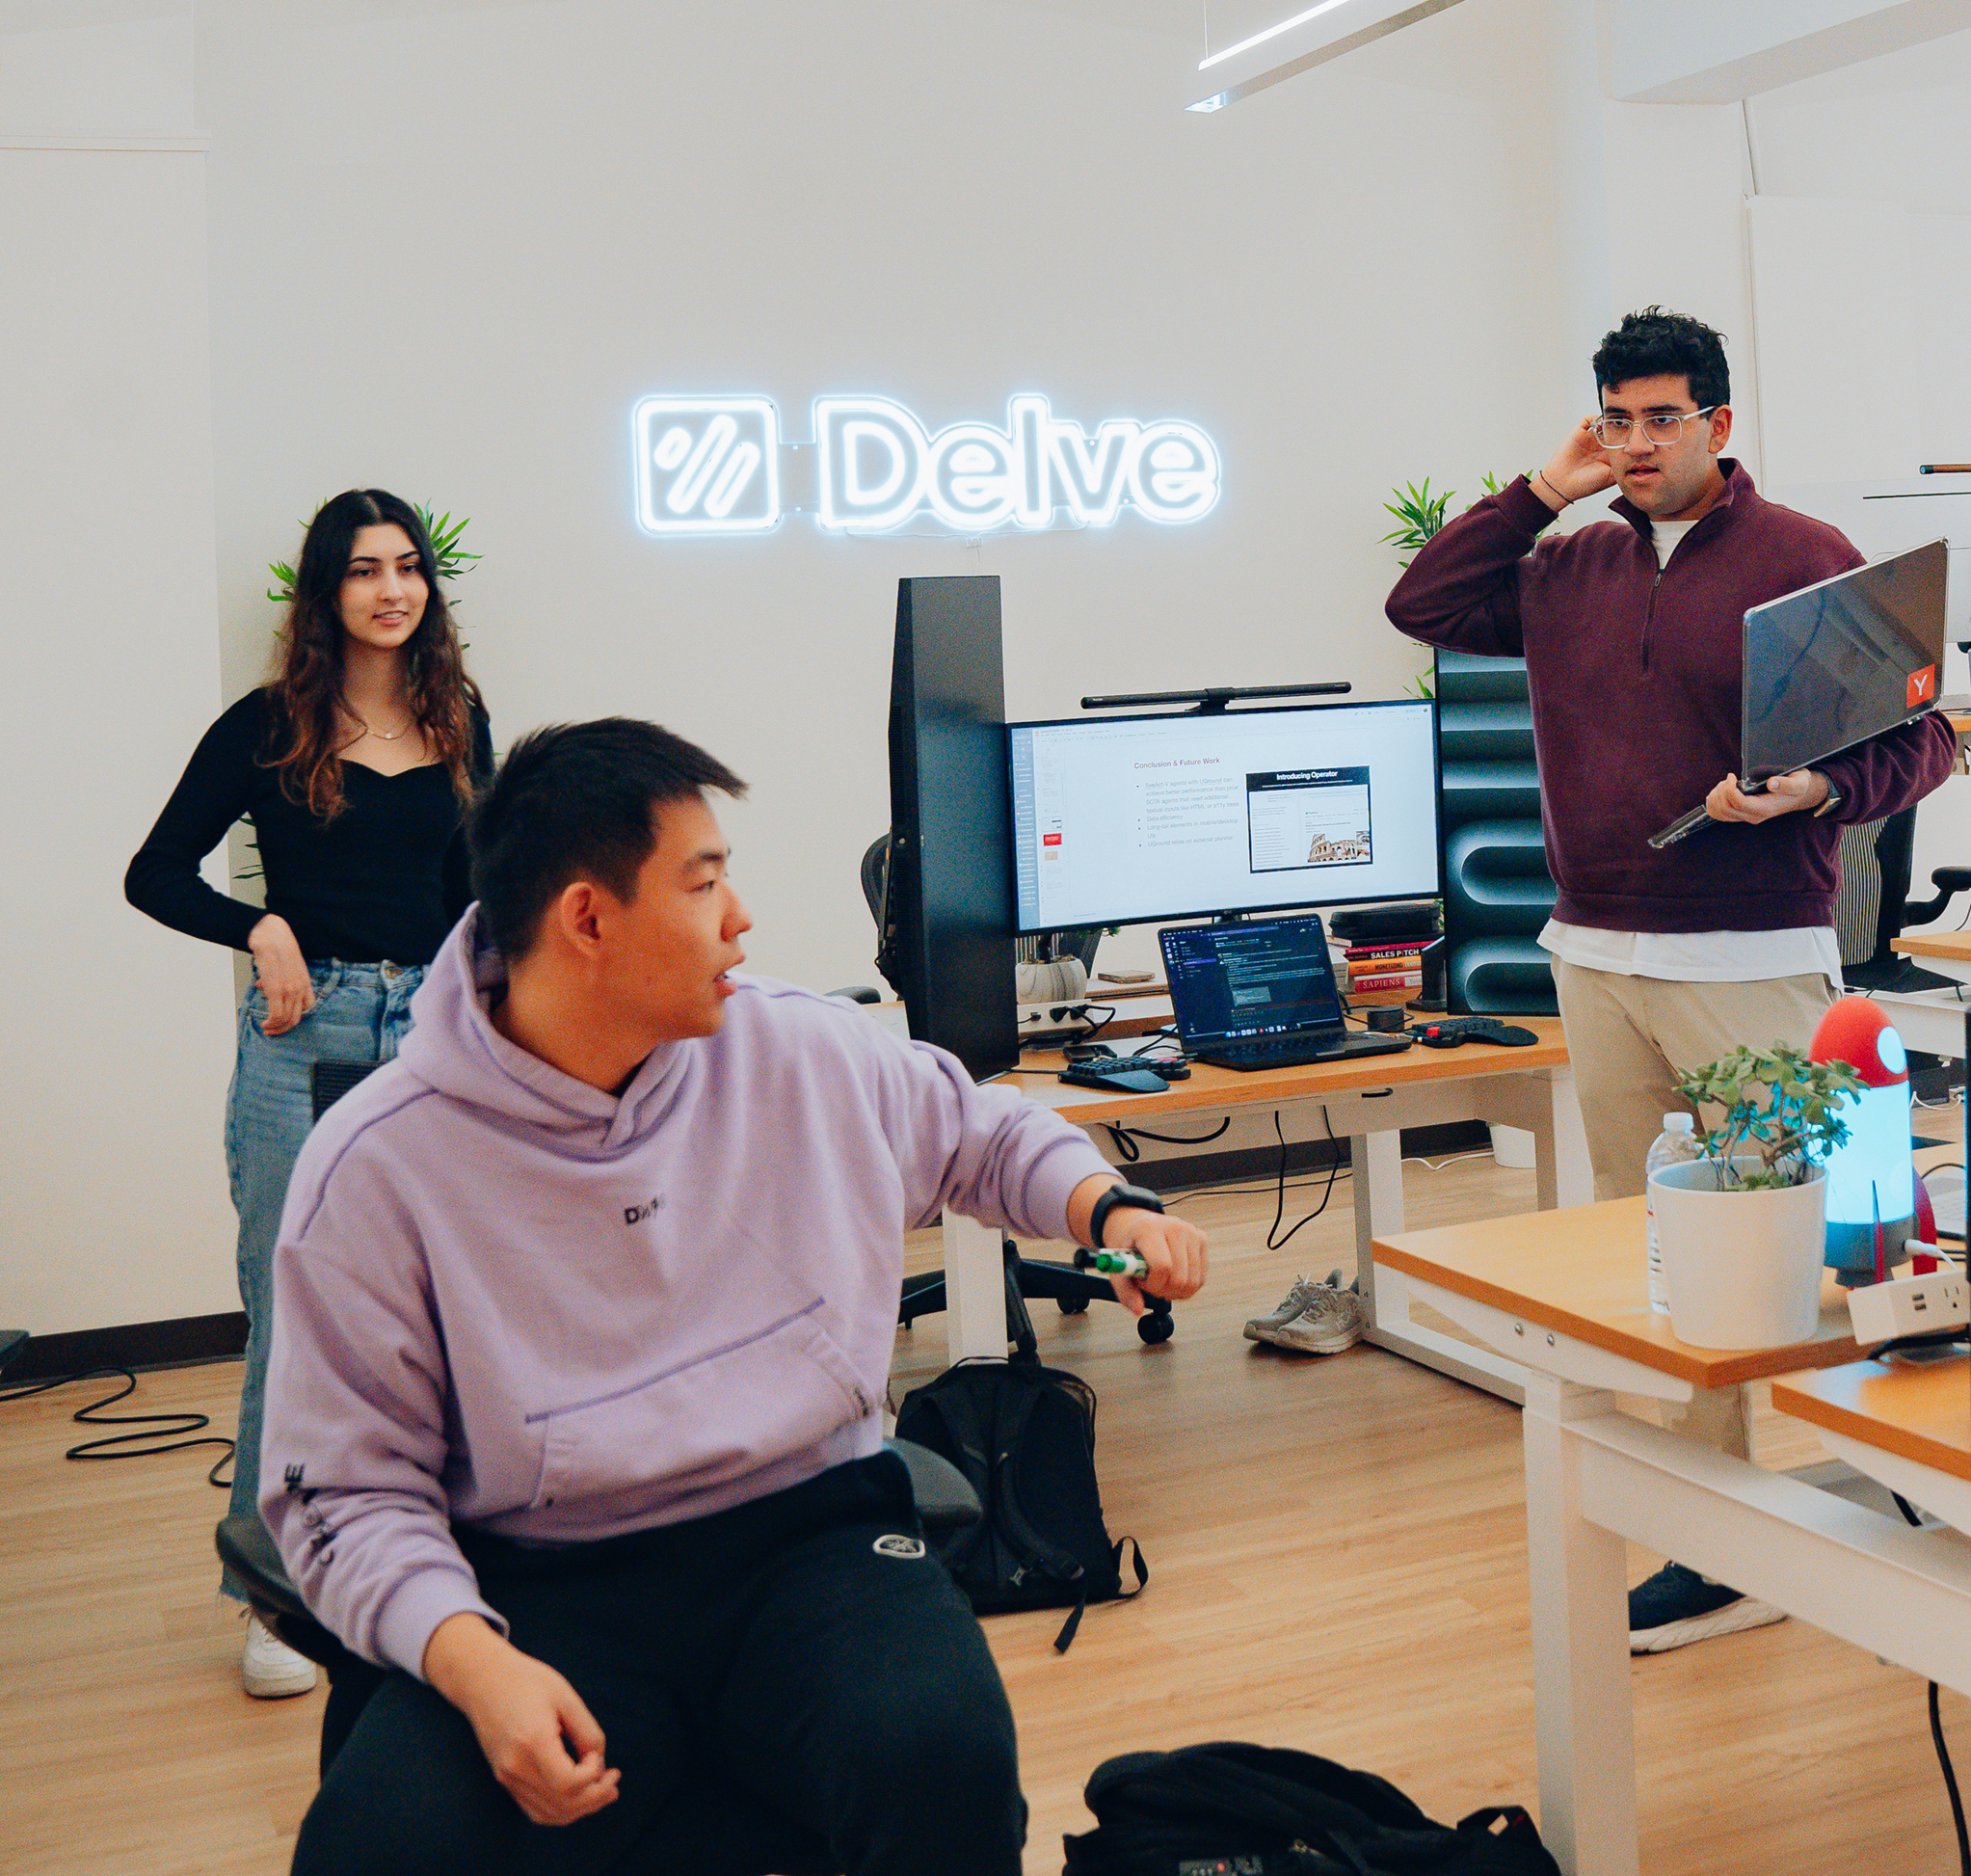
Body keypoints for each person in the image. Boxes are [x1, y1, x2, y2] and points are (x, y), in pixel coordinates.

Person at [260, 718, 1209, 1876]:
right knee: (382, 1849)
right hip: (539, 1578)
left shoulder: (797, 1049)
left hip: (809, 1533)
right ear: (588, 920)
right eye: (704, 882)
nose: (740, 917)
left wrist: (1109, 1211)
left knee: (939, 1763)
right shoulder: (378, 1163)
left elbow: (981, 1130)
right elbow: (344, 1494)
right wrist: (474, 1662)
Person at [1386, 308, 1954, 1649]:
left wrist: (1816, 785)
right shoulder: (1566, 566)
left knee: (1835, 1230)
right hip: (1595, 950)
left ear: (1717, 423)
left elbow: (1918, 740)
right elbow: (1421, 603)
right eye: (1615, 417)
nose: (1636, 442)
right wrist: (1541, 489)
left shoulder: (1799, 560)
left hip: (1752, 952)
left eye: (1660, 418)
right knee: (1669, 1252)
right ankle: (1720, 1526)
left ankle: (1907, 1472)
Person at [126, 488, 491, 1698]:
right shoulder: (266, 725)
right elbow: (153, 873)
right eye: (362, 570)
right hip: (306, 1034)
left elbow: (474, 892)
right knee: (293, 1323)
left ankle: (430, 1575)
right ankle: (276, 1602)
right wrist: (260, 925)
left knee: (444, 1315)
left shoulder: (457, 716)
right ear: (324, 591)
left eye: (408, 568)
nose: (391, 589)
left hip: (434, 1038)